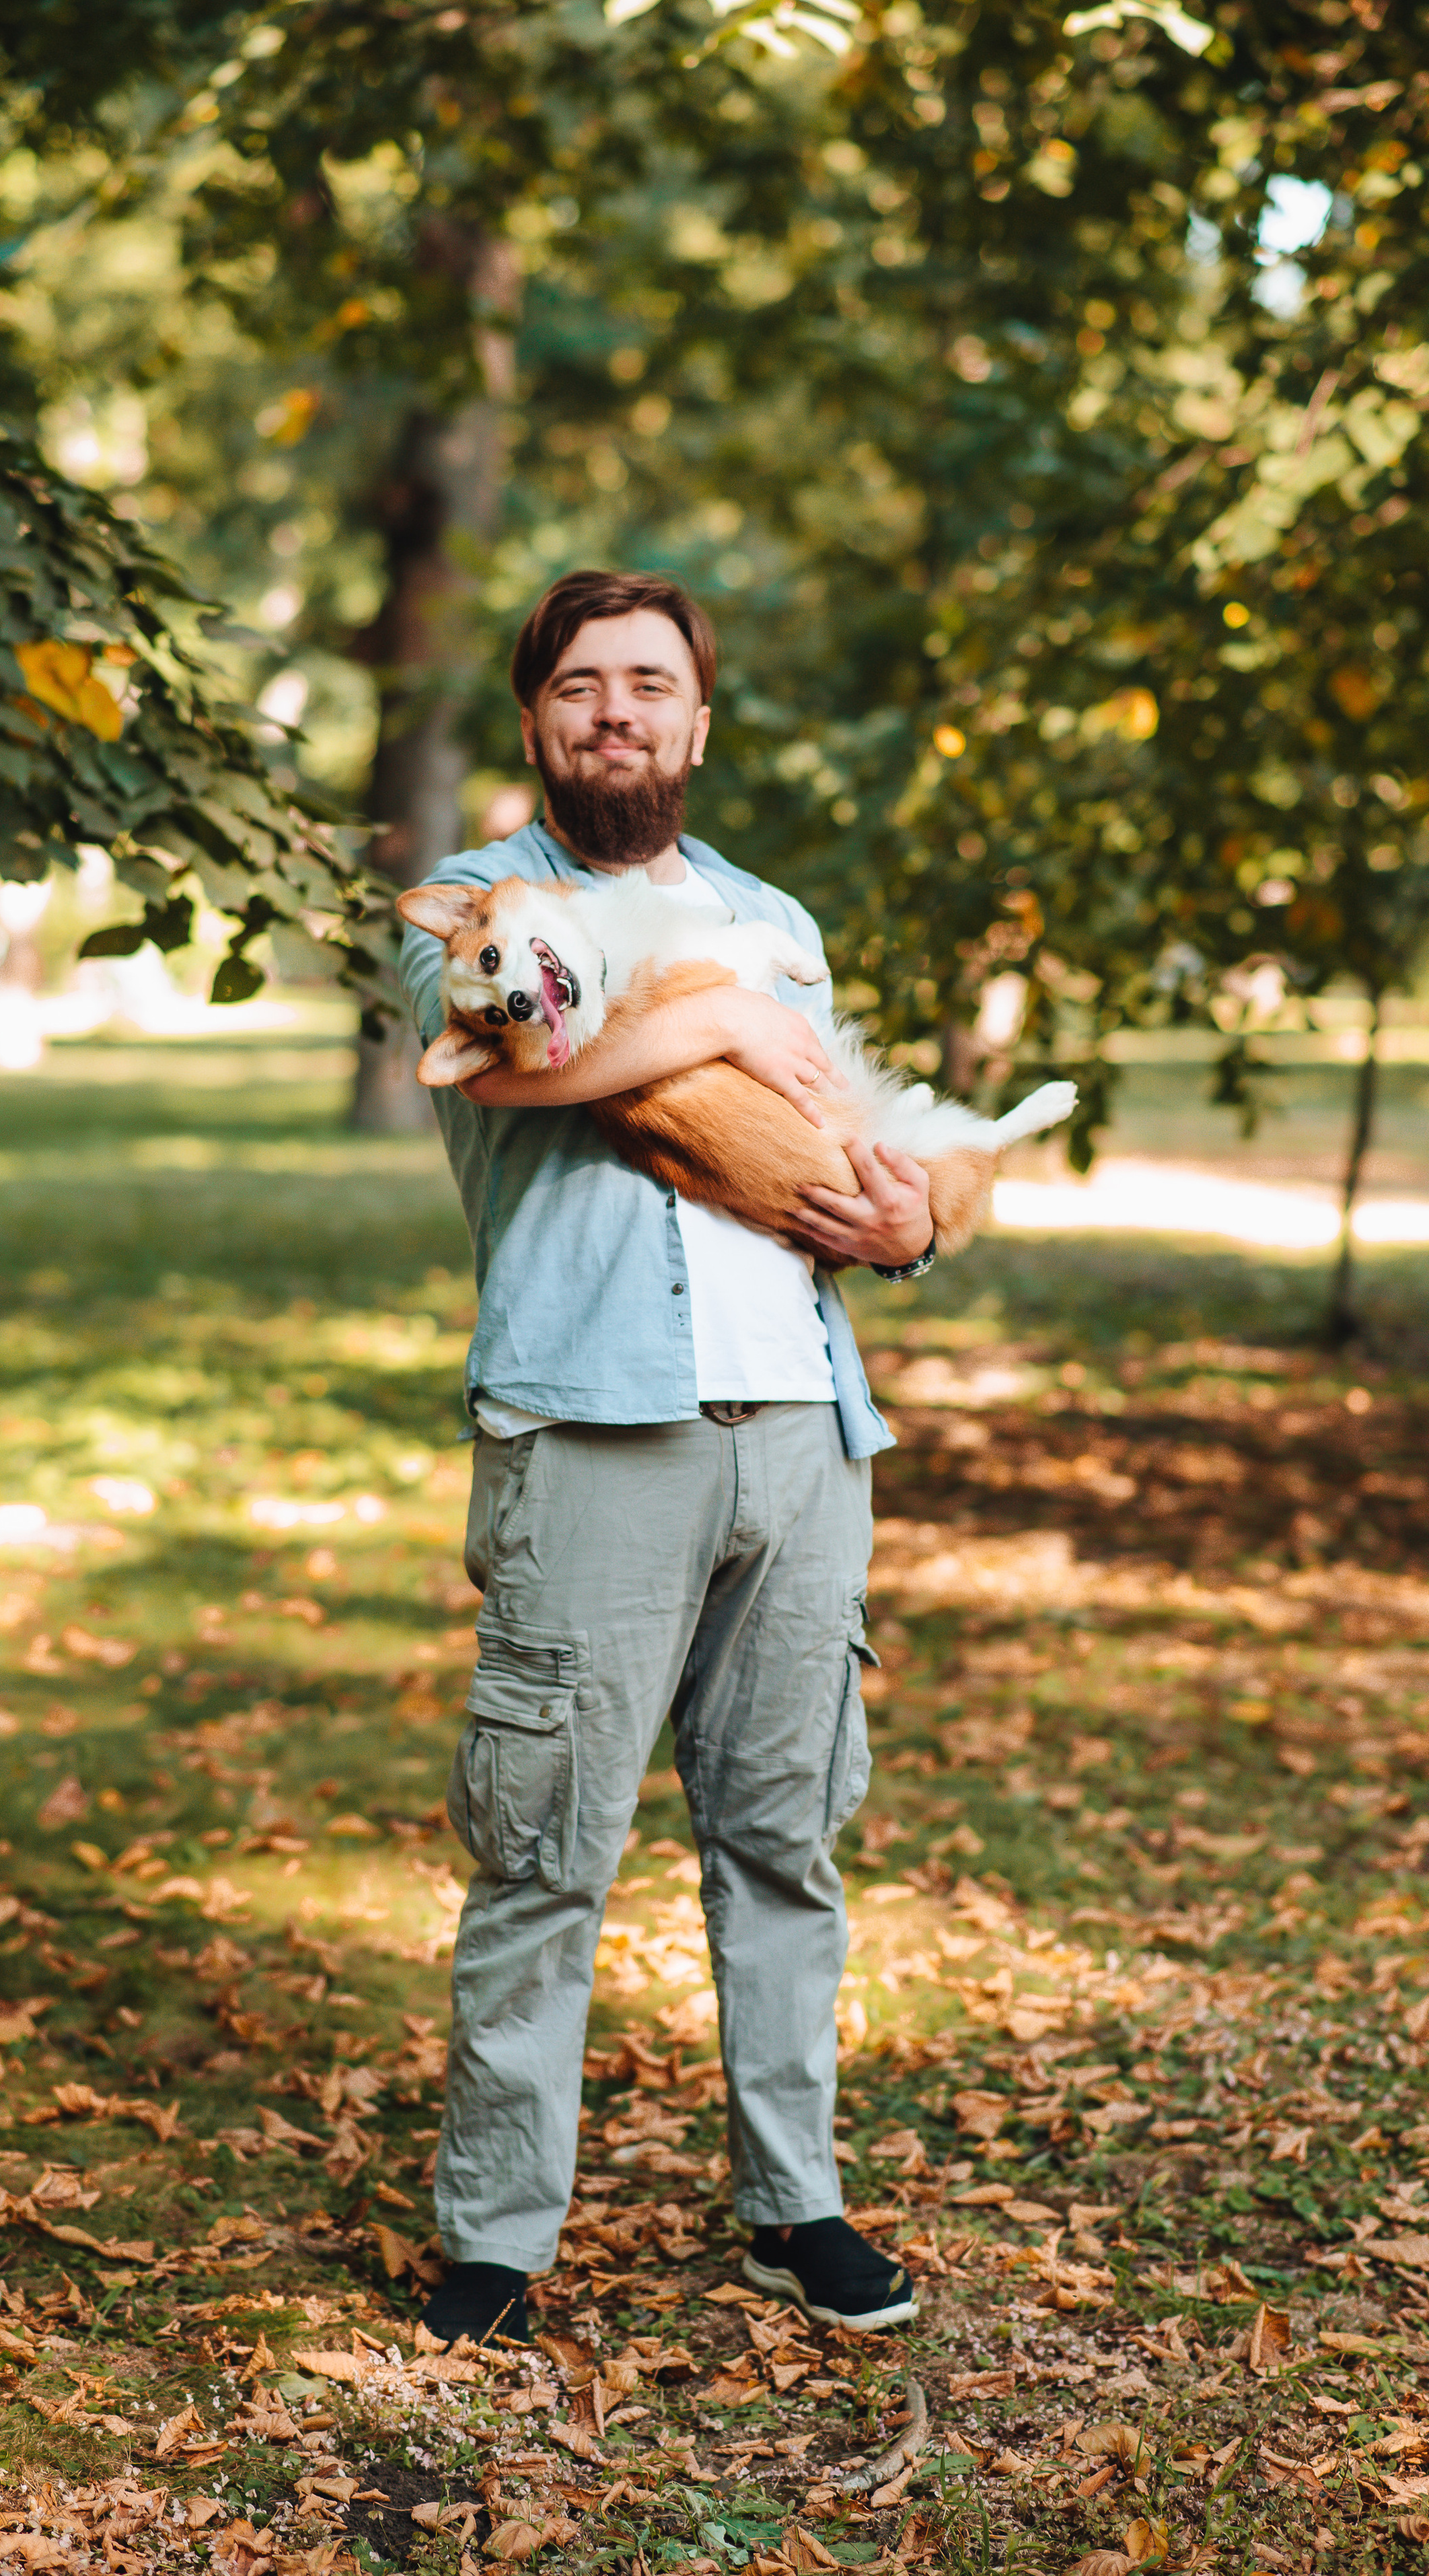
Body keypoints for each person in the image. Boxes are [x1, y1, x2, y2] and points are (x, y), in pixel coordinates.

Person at [396, 569, 937, 2346]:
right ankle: (498, 2231)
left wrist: (909, 1218)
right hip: (592, 1425)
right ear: (537, 717)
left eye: (650, 683)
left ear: (700, 722)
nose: (616, 710)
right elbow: (519, 1063)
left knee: (786, 1833)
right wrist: (708, 1021)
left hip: (803, 1428)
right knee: (547, 1846)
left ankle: (799, 2203)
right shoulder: (482, 902)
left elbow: (836, 1146)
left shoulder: (776, 914)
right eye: (579, 684)